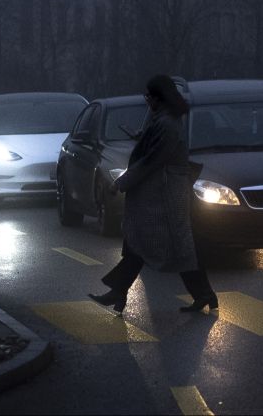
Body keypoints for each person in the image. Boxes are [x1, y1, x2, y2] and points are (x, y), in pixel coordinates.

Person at [88, 74, 217, 315]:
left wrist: (121, 183)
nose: (147, 101)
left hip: (163, 197)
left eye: (149, 97)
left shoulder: (166, 124)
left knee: (153, 243)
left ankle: (119, 291)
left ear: (159, 98)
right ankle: (202, 294)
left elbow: (152, 161)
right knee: (164, 245)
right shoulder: (163, 120)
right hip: (160, 194)